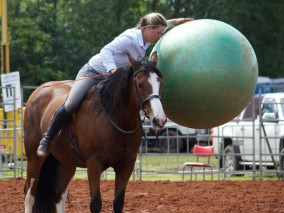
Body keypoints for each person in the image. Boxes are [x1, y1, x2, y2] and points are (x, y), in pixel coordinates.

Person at [37, 12, 194, 158]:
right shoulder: (130, 38)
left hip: (113, 80)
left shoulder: (147, 35)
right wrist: (112, 68)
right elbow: (106, 51)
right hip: (94, 72)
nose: (159, 36)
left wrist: (181, 21)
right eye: (158, 33)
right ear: (148, 28)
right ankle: (47, 139)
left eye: (161, 33)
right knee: (71, 104)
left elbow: (166, 23)